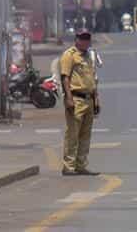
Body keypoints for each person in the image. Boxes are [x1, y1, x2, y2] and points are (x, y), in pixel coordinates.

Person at [59, 29, 100, 176]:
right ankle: (68, 166)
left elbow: (92, 79)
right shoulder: (69, 55)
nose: (85, 41)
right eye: (82, 38)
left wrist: (96, 99)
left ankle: (81, 165)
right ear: (76, 39)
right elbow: (65, 78)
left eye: (87, 39)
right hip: (76, 99)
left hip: (88, 99)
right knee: (73, 134)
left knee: (85, 135)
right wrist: (69, 98)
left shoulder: (89, 56)